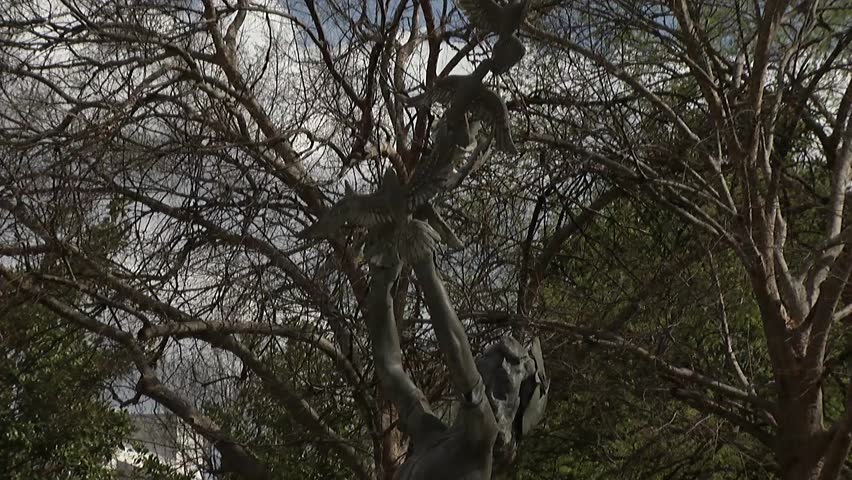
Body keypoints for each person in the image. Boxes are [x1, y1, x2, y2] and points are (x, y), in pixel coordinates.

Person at [365, 251, 548, 479]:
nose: (482, 362)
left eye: (500, 368)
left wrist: (424, 261)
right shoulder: (430, 435)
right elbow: (389, 369)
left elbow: (457, 354)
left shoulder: (480, 445)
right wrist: (382, 285)